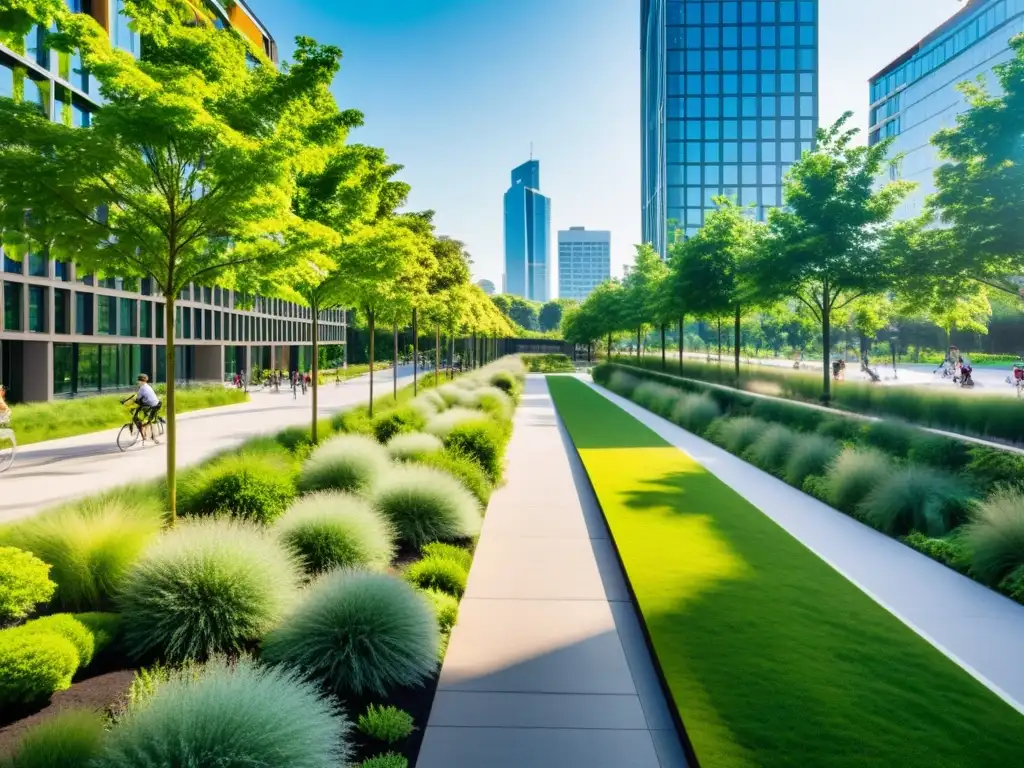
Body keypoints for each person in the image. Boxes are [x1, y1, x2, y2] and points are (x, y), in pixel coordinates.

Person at [123, 374, 161, 443]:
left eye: (138, 381)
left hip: (150, 405)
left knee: (138, 417)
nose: (138, 382)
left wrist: (127, 402)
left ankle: (149, 436)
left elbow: (137, 399)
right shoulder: (147, 386)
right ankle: (145, 433)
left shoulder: (142, 388)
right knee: (141, 414)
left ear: (140, 381)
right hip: (155, 404)